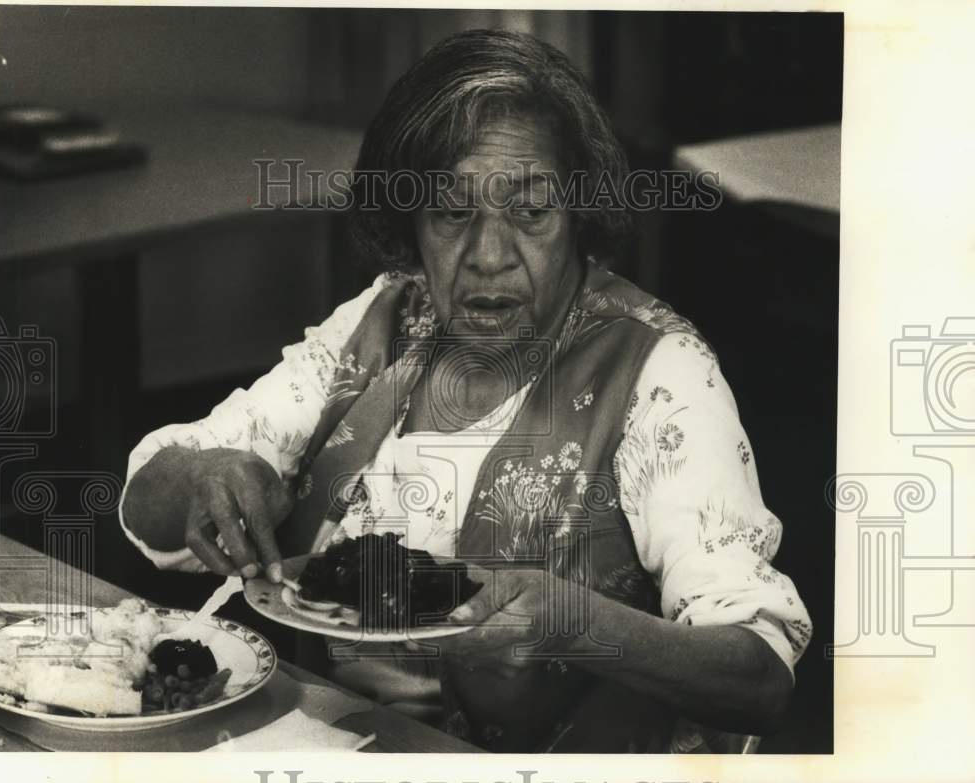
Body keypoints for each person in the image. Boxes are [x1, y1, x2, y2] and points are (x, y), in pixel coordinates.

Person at [120, 29, 812, 752]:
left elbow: (760, 676)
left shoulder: (660, 373)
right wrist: (206, 475)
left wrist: (574, 623)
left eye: (531, 210)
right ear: (410, 224)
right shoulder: (385, 318)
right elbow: (150, 497)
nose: (487, 256)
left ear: (579, 214)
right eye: (452, 212)